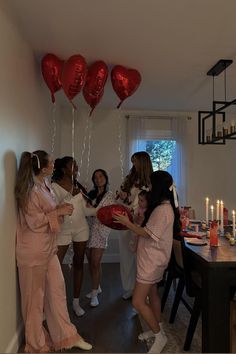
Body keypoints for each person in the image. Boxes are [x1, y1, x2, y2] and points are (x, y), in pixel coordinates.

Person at [15, 150, 92, 353]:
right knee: (34, 301)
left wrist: (60, 207)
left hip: (48, 248)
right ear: (43, 167)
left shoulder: (45, 185)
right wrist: (58, 211)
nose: (54, 165)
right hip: (32, 252)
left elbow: (47, 211)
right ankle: (36, 344)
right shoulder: (30, 190)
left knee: (57, 292)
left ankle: (67, 336)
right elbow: (34, 221)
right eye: (51, 163)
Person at [113, 170, 181, 353]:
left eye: (151, 185)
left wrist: (127, 223)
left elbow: (147, 233)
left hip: (152, 261)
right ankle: (155, 328)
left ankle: (159, 336)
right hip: (152, 258)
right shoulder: (161, 207)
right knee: (152, 294)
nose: (148, 188)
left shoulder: (162, 210)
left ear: (157, 186)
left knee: (137, 301)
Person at [51, 156, 96, 317]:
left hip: (81, 229)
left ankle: (75, 301)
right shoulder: (54, 187)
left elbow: (85, 210)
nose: (76, 168)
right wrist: (70, 196)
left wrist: (101, 210)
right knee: (55, 267)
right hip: (63, 230)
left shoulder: (79, 186)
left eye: (77, 165)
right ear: (64, 169)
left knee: (78, 263)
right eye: (73, 165)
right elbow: (53, 209)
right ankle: (55, 303)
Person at [117, 151, 153, 299]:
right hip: (126, 220)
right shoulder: (129, 179)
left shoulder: (151, 181)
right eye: (132, 162)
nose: (133, 165)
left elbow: (150, 203)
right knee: (126, 256)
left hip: (142, 223)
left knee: (141, 258)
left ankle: (143, 289)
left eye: (135, 162)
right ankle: (129, 288)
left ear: (143, 163)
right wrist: (123, 197)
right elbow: (122, 198)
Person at [86, 169, 115, 307]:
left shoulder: (109, 195)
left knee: (96, 262)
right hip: (87, 229)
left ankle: (94, 294)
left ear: (105, 178)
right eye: (95, 177)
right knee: (91, 261)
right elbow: (86, 212)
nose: (98, 179)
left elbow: (104, 214)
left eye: (101, 176)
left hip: (100, 231)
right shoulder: (90, 194)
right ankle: (97, 286)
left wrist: (91, 209)